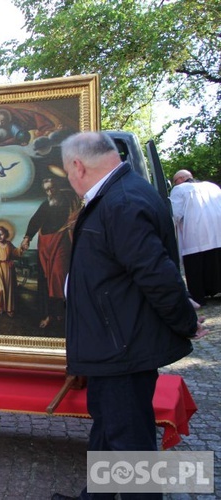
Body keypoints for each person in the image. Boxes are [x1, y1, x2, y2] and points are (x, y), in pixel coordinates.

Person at [52, 133, 208, 500]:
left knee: (131, 446)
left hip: (120, 345)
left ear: (78, 166)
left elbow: (155, 272)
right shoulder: (119, 193)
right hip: (114, 342)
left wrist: (184, 320)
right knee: (108, 429)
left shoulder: (120, 201)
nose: (70, 182)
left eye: (67, 173)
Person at [20, 178, 81, 328]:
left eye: (52, 188)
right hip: (45, 244)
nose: (50, 192)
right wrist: (27, 238)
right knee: (46, 280)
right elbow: (35, 221)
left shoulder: (70, 200)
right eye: (47, 190)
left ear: (57, 187)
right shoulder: (46, 205)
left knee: (59, 275)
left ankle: (62, 312)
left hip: (61, 242)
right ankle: (49, 315)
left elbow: (78, 216)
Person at [169, 169, 221, 305]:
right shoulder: (212, 186)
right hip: (217, 231)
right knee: (216, 262)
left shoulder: (179, 190)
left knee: (196, 267)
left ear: (179, 179)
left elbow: (176, 213)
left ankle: (199, 296)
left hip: (194, 233)